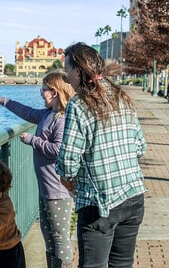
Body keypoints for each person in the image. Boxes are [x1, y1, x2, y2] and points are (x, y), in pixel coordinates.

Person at [55, 42, 147, 268]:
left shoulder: (78, 105)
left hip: (100, 206)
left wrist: (67, 180)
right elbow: (140, 147)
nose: (67, 79)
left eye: (67, 72)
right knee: (122, 264)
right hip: (133, 197)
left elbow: (68, 162)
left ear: (78, 71)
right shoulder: (121, 95)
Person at [0, 71, 75, 268]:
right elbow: (25, 111)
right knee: (48, 236)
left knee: (60, 237)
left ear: (55, 92)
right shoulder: (47, 114)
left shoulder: (61, 119)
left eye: (43, 89)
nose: (41, 93)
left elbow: (58, 150)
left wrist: (32, 140)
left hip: (58, 191)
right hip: (46, 188)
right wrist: (1, 100)